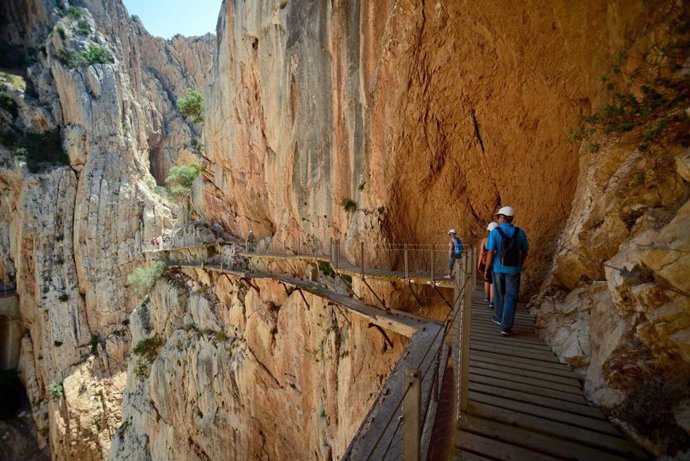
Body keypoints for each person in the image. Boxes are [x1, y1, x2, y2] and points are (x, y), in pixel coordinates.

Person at [484, 206, 528, 336]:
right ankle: (506, 326)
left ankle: (498, 317)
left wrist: (487, 269)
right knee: (511, 296)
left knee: (498, 293)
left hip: (498, 268)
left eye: (499, 217)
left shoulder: (495, 232)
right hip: (514, 268)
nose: (498, 220)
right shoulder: (520, 232)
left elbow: (490, 252)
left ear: (503, 218)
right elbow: (525, 251)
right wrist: (520, 263)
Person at [478, 222, 498, 306]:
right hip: (495, 262)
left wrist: (479, 263)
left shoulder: (485, 240)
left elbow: (482, 253)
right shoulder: (498, 239)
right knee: (493, 281)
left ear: (488, 230)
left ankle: (487, 297)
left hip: (485, 262)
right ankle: (492, 302)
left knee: (486, 280)